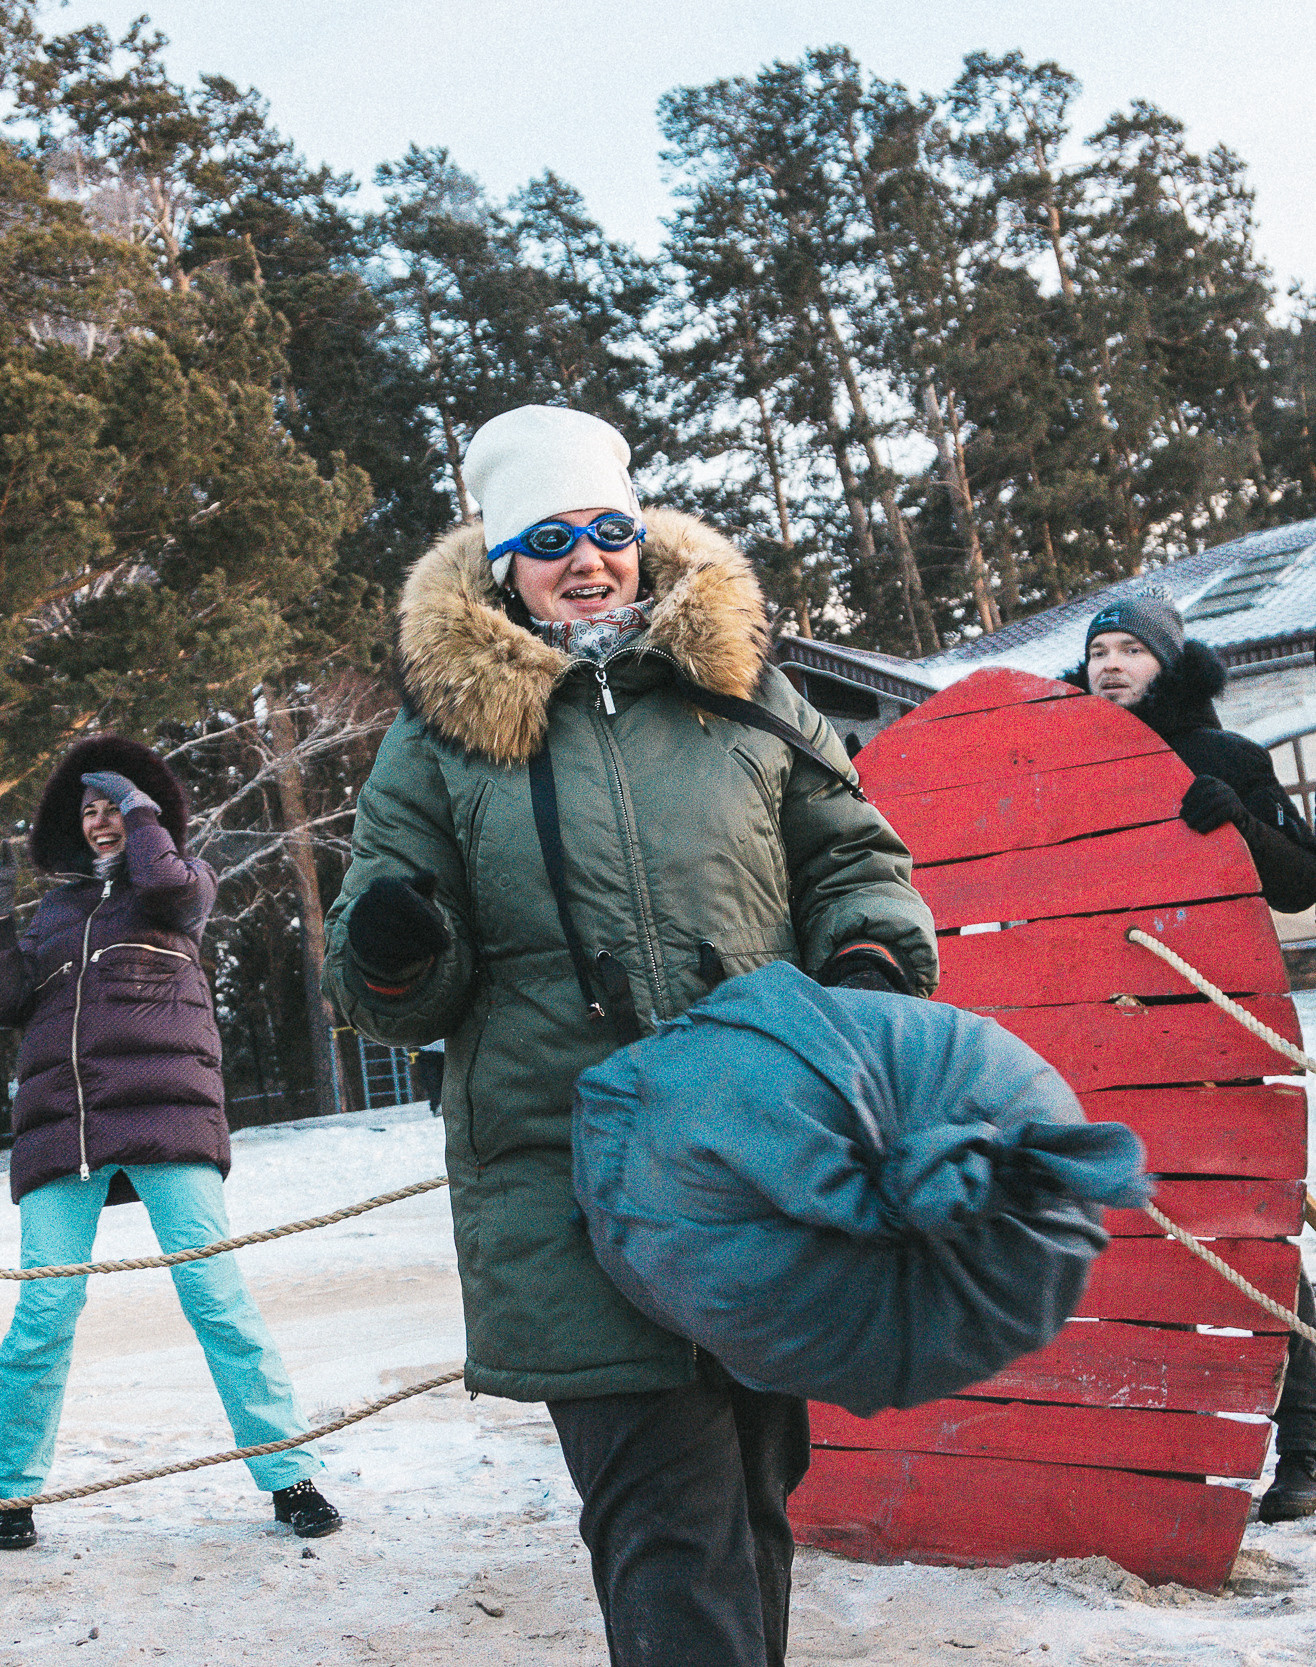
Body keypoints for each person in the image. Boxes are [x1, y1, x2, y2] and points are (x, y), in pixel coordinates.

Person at [324, 404, 936, 1667]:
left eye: (606, 528)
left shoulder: (742, 691)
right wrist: (395, 945)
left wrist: (868, 961)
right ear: (506, 563)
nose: (586, 559)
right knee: (665, 1514)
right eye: (549, 539)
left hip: (761, 1155)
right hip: (565, 1174)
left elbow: (852, 857)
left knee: (754, 1486)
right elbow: (388, 984)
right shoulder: (438, 739)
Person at [0, 734, 342, 1552]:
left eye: (117, 805)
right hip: (63, 1128)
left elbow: (169, 884)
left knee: (215, 1295)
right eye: (90, 809)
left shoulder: (183, 883)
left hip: (168, 1118)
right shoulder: (56, 910)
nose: (101, 820)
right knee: (44, 1309)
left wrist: (145, 815)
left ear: (147, 813)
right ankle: (9, 1491)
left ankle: (291, 1475)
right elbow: (1, 1004)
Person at [1063, 592, 1316, 1523]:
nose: (1112, 663)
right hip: (1099, 1038)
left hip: (1211, 1033)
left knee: (1245, 1235)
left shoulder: (1230, 757)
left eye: (1132, 649)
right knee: (1128, 1245)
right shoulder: (1064, 764)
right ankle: (1161, 1465)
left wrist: (1240, 823)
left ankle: (1308, 1445)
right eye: (1100, 650)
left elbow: (1301, 881)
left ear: (1169, 664)